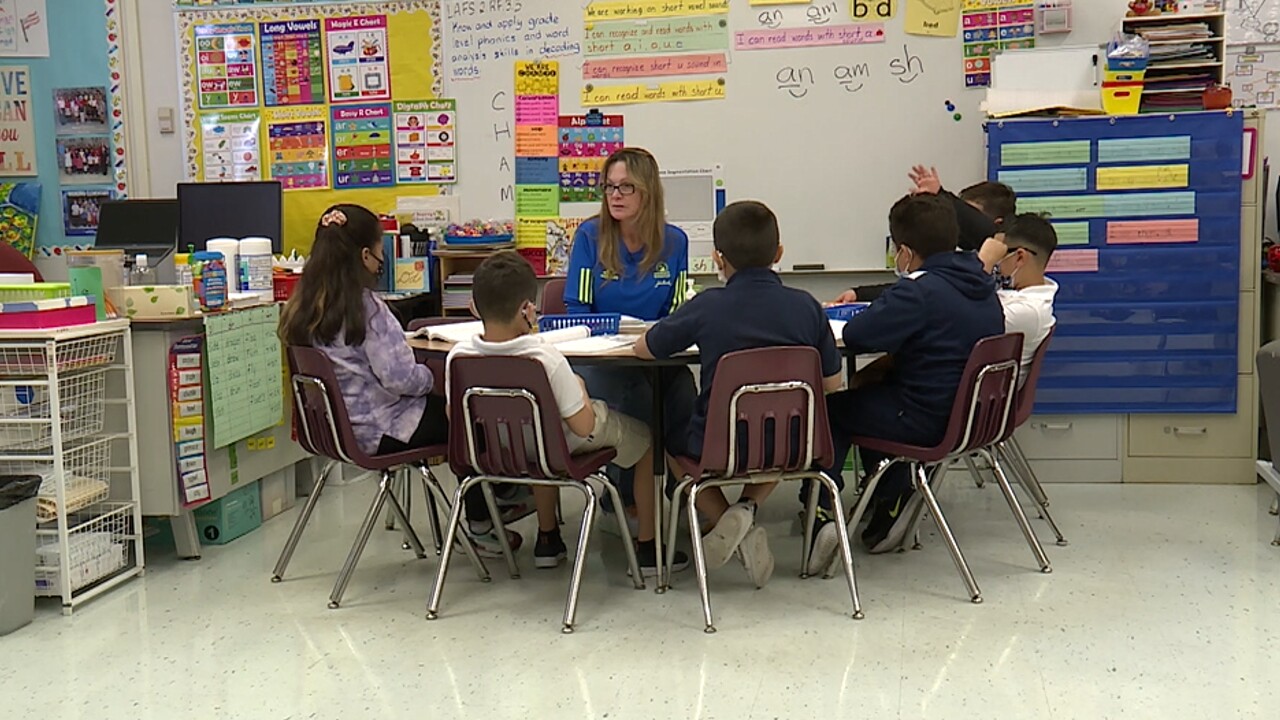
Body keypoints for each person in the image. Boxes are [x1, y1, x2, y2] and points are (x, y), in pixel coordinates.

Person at [278, 205, 525, 556]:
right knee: (470, 416)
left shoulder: (300, 305)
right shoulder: (367, 309)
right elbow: (400, 378)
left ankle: (497, 501)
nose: (381, 261)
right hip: (385, 429)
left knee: (455, 415)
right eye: (380, 251)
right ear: (365, 255)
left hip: (337, 430)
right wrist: (432, 377)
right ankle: (485, 519)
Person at [636, 201, 844, 588]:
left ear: (718, 258)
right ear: (779, 254)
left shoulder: (708, 306)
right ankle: (746, 511)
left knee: (667, 439)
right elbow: (832, 385)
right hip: (797, 446)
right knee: (783, 436)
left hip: (719, 445)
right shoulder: (807, 307)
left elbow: (648, 348)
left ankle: (727, 519)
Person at [448, 251, 687, 574]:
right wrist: (581, 389)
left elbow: (455, 416)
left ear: (474, 307)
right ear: (528, 309)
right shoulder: (545, 357)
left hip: (505, 448)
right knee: (645, 440)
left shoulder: (459, 357)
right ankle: (648, 549)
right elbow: (583, 424)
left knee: (540, 438)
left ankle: (548, 539)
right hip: (556, 445)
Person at [810, 193, 1004, 569]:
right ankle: (890, 499)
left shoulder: (918, 290)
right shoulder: (981, 287)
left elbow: (858, 335)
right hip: (970, 419)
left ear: (904, 251)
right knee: (869, 391)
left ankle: (822, 516)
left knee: (831, 411)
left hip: (925, 420)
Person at [562, 147, 698, 535]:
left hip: (654, 351)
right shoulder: (591, 235)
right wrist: (609, 345)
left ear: (648, 193)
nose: (615, 196)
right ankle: (628, 496)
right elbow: (576, 305)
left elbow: (676, 308)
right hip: (602, 357)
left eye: (626, 187)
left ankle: (685, 489)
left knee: (684, 394)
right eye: (609, 187)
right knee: (638, 399)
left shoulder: (675, 242)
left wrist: (656, 341)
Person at [834, 167, 1014, 304]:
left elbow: (987, 233)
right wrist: (860, 294)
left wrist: (943, 196)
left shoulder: (999, 259)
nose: (958, 224)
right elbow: (916, 288)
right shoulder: (957, 267)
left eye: (964, 216)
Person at [977, 213, 1059, 381]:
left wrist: (983, 263)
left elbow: (959, 318)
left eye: (998, 255)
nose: (996, 264)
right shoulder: (1017, 296)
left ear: (1019, 257)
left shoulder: (1028, 311)